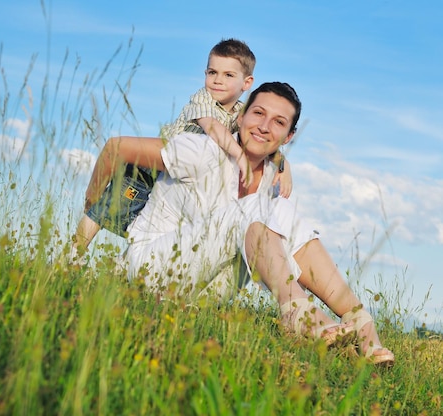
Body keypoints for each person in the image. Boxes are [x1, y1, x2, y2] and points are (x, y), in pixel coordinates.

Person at [82, 82, 395, 366]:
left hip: (205, 292)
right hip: (151, 272)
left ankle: (365, 328)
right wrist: (91, 200)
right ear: (242, 116)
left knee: (281, 211)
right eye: (258, 113)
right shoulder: (203, 150)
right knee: (256, 208)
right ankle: (298, 316)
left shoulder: (273, 177)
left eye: (278, 122)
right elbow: (116, 147)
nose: (263, 126)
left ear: (288, 137)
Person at [72, 38, 293, 256]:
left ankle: (123, 270)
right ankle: (73, 254)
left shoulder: (242, 112)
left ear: (246, 83)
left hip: (177, 180)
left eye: (228, 75)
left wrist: (283, 168)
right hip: (153, 167)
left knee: (147, 226)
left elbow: (257, 139)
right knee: (107, 207)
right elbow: (213, 127)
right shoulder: (203, 99)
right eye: (212, 72)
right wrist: (239, 156)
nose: (217, 80)